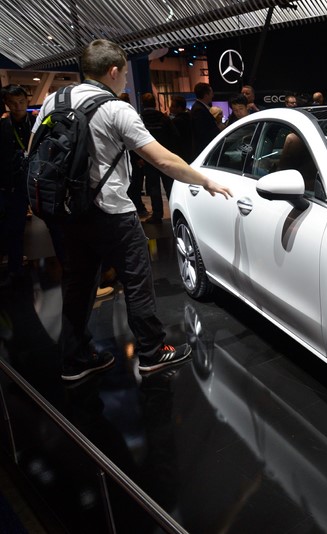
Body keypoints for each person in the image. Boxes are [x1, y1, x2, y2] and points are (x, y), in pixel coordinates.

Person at [29, 39, 232, 382]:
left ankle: (75, 358)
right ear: (113, 71)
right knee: (137, 280)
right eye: (124, 73)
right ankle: (152, 351)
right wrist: (206, 181)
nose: (125, 79)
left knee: (78, 284)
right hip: (112, 212)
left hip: (67, 211)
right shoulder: (115, 109)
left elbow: (34, 151)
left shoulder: (55, 100)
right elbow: (162, 160)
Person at [0, 85, 35, 284]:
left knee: (56, 225)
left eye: (21, 102)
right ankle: (15, 270)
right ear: (6, 103)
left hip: (37, 182)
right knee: (15, 229)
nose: (18, 106)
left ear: (26, 101)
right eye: (12, 103)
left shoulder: (37, 123)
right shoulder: (3, 127)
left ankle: (67, 263)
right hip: (14, 185)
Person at [137, 92, 180, 225]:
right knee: (169, 186)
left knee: (153, 187)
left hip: (149, 158)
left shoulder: (140, 119)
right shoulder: (164, 118)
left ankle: (157, 215)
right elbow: (175, 136)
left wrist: (139, 157)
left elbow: (135, 139)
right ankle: (175, 212)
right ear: (155, 103)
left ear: (142, 104)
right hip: (165, 156)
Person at [189, 82, 218, 159]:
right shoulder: (199, 110)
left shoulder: (199, 107)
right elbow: (203, 134)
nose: (213, 96)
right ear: (206, 95)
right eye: (211, 93)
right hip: (203, 150)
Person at [169, 95, 192, 163]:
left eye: (172, 106)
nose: (170, 108)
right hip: (190, 152)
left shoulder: (176, 121)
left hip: (180, 154)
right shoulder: (190, 118)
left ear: (179, 108)